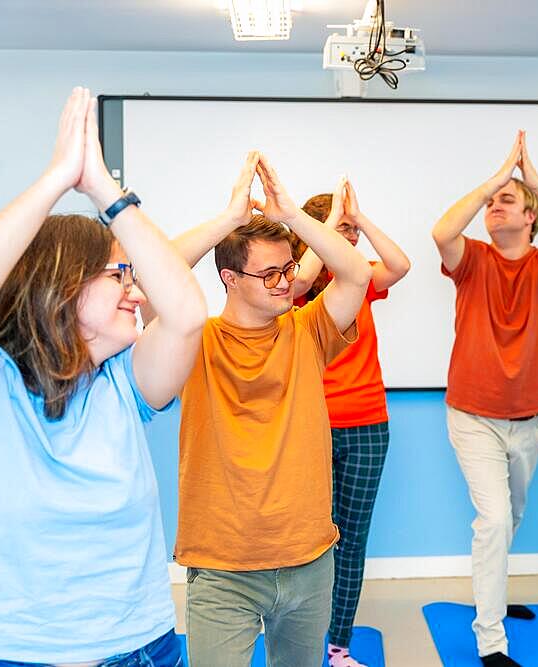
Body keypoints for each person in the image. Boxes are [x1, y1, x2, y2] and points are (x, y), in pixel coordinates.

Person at [0, 87, 206, 665]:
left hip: (141, 646)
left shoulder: (125, 383)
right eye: (118, 274)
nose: (136, 290)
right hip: (15, 653)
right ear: (63, 284)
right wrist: (55, 182)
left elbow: (188, 314)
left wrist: (106, 193)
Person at [169, 154, 372, 667]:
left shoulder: (308, 332)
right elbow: (156, 277)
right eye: (269, 273)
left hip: (308, 561)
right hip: (223, 568)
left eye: (288, 268)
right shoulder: (196, 339)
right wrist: (227, 221)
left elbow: (352, 273)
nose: (286, 281)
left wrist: (297, 218)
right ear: (230, 279)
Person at [431, 131, 538, 667]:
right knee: (492, 521)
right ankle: (491, 640)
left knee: (509, 516)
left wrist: (534, 182)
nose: (494, 207)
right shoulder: (473, 259)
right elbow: (442, 230)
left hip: (531, 418)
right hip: (472, 415)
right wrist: (495, 180)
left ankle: (494, 590)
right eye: (490, 202)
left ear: (531, 217)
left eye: (506, 202)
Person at [295, 178, 411, 667]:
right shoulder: (292, 286)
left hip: (367, 425)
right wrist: (328, 229)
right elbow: (301, 281)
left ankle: (338, 647)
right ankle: (300, 638)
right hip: (309, 426)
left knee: (351, 540)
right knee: (305, 539)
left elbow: (401, 266)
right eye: (338, 231)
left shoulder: (360, 279)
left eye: (350, 232)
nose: (350, 241)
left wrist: (360, 219)